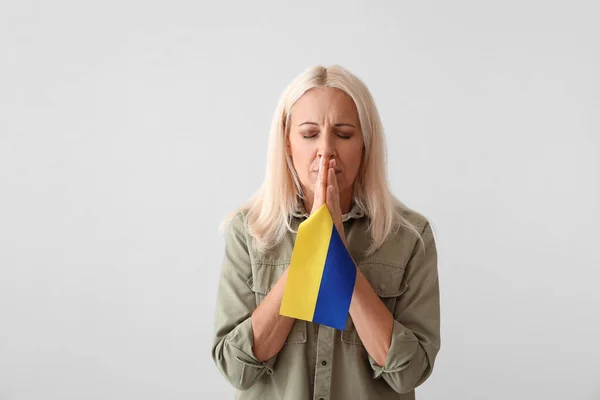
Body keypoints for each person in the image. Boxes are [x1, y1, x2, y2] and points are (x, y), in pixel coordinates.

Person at [211, 65, 440, 400]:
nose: (326, 149)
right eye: (309, 134)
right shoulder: (248, 231)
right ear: (288, 143)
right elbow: (236, 368)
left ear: (365, 144)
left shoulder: (409, 236)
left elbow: (409, 373)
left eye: (344, 134)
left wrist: (338, 259)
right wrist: (313, 248)